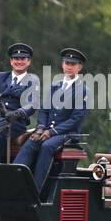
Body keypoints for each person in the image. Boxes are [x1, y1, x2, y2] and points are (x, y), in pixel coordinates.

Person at [13, 47, 89, 192]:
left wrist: (51, 132)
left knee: (47, 146)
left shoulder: (83, 91)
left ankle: (35, 190)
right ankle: (14, 181)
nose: (68, 67)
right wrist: (41, 127)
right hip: (47, 130)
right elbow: (43, 110)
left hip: (67, 134)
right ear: (62, 64)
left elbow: (76, 119)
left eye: (73, 64)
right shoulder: (54, 86)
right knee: (31, 142)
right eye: (67, 63)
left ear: (79, 67)